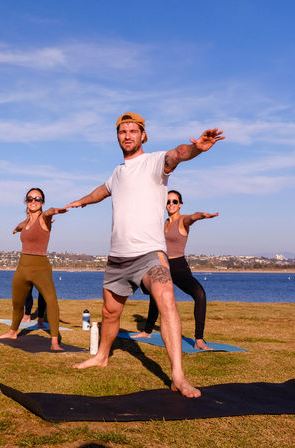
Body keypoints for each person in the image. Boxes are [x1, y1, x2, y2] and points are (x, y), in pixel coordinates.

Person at [66, 112, 224, 398]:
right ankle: (102, 356)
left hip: (149, 254)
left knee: (166, 298)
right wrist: (82, 201)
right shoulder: (117, 172)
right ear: (118, 137)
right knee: (110, 313)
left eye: (132, 131)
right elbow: (102, 191)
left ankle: (178, 375)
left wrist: (197, 149)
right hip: (117, 257)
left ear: (142, 136)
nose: (127, 135)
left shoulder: (154, 162)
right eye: (122, 131)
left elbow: (177, 154)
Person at [133, 191, 218, 349]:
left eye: (174, 201)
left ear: (180, 204)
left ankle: (199, 339)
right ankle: (147, 331)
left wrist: (202, 216)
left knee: (200, 294)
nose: (171, 204)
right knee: (155, 296)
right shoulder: (164, 223)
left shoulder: (182, 221)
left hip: (179, 267)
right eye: (168, 202)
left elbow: (192, 217)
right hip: (162, 264)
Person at [0, 188, 67, 351]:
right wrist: (16, 229)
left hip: (40, 267)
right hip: (22, 267)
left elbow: (49, 213)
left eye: (38, 198)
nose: (33, 201)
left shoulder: (44, 218)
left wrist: (55, 211)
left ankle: (55, 341)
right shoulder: (26, 221)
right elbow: (22, 225)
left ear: (42, 202)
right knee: (17, 303)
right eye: (30, 198)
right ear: (26, 202)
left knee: (51, 301)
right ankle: (13, 331)